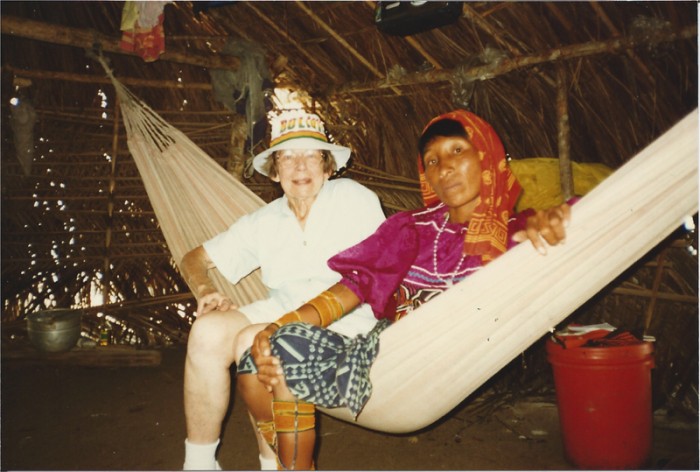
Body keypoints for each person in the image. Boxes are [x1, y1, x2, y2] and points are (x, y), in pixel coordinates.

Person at [236, 109, 572, 469]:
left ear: (485, 155)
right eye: (432, 160)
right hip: (389, 358)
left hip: (452, 363)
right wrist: (281, 324)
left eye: (458, 150)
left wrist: (560, 218)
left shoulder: (519, 231)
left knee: (283, 354)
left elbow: (589, 218)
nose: (444, 167)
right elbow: (353, 287)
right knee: (260, 356)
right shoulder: (412, 229)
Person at [179, 110, 386, 470]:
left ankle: (272, 464)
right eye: (287, 157)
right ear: (275, 171)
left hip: (346, 317)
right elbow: (193, 258)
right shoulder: (265, 220)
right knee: (206, 332)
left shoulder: (354, 198)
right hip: (281, 309)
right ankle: (198, 464)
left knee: (252, 342)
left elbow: (377, 274)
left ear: (328, 167)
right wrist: (203, 289)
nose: (300, 166)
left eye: (311, 155)